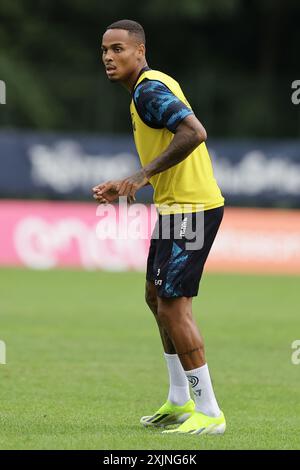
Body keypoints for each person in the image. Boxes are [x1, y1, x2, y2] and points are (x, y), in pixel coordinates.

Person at [93, 19, 226, 435]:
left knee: (173, 304)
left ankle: (209, 412)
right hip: (175, 209)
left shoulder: (149, 89)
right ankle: (178, 400)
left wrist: (140, 174)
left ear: (140, 51)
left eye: (118, 49)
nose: (109, 58)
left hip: (192, 208)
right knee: (156, 297)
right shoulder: (142, 92)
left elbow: (194, 132)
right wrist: (136, 180)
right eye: (104, 51)